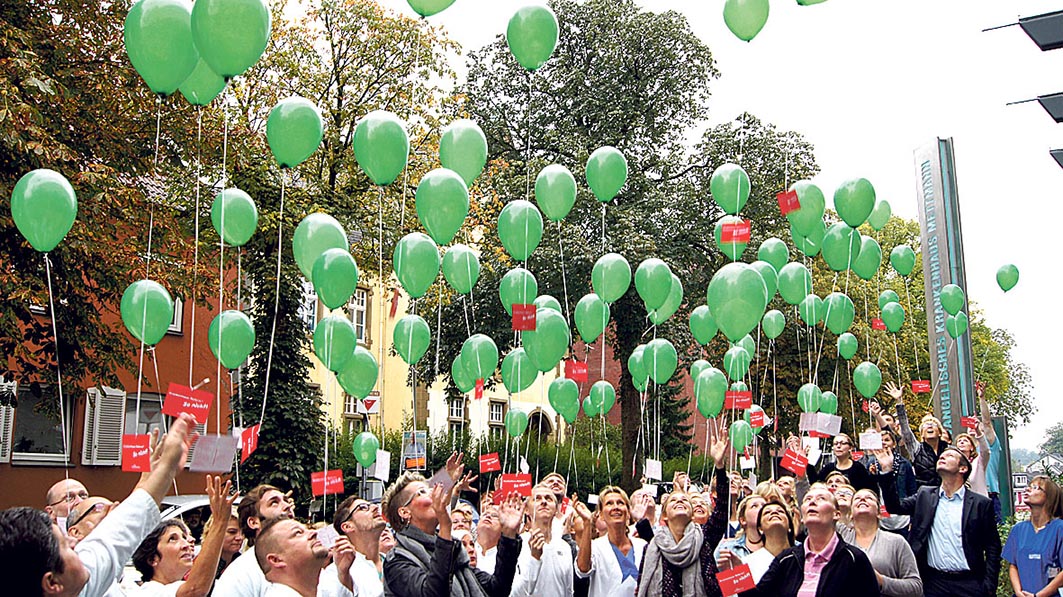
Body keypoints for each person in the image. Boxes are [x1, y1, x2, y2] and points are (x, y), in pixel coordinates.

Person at [0, 412, 197, 597]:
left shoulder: (75, 581)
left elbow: (118, 533)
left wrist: (159, 474)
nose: (74, 543)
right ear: (52, 583)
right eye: (65, 546)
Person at [382, 457, 524, 597]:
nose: (433, 493)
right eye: (422, 492)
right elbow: (432, 593)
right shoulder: (397, 561)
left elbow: (497, 590)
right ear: (404, 512)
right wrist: (445, 526)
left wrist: (508, 534)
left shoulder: (455, 553)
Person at [875, 445, 1001, 597]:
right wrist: (887, 471)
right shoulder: (925, 495)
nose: (942, 457)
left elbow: (993, 546)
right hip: (933, 583)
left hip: (970, 583)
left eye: (949, 456)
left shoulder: (980, 504)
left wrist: (988, 586)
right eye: (942, 455)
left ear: (962, 468)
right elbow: (895, 507)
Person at [635, 436, 731, 597]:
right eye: (673, 500)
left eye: (684, 500)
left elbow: (722, 508)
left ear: (692, 514)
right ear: (664, 515)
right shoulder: (653, 546)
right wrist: (640, 520)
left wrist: (720, 467)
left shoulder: (704, 539)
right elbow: (641, 585)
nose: (679, 501)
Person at [741, 484, 880, 596]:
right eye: (808, 499)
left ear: (836, 514)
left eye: (821, 499)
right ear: (802, 517)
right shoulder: (787, 559)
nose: (813, 502)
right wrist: (733, 573)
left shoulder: (854, 559)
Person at [130, 475, 237, 597]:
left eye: (184, 538)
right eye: (173, 539)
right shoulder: (150, 592)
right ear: (152, 559)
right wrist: (220, 522)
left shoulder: (179, 586)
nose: (186, 545)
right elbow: (195, 590)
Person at [213, 483, 297, 597]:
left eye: (285, 500)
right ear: (253, 522)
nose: (287, 506)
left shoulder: (307, 558)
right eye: (274, 503)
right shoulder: (241, 574)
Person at [840, 489, 922, 597]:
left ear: (879, 513)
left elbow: (916, 587)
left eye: (869, 498)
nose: (863, 499)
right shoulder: (841, 537)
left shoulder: (896, 542)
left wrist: (882, 581)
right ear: (851, 514)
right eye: (857, 498)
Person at [256, 516, 356, 597]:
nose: (314, 533)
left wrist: (344, 572)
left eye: (307, 529)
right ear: (276, 560)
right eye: (298, 533)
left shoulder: (323, 590)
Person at [573, 486, 647, 596]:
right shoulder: (594, 547)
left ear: (628, 512)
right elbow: (582, 570)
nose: (615, 507)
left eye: (620, 503)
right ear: (601, 514)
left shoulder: (642, 546)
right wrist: (587, 523)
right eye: (609, 503)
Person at [1002, 475, 1063, 597]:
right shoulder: (1018, 529)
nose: (1028, 490)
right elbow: (1013, 565)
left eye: (1036, 487)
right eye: (1029, 486)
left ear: (1049, 497)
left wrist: (1039, 595)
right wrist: (1019, 592)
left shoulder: (1059, 528)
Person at [510, 483, 574, 596]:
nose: (543, 501)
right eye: (537, 498)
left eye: (548, 498)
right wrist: (534, 558)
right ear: (526, 510)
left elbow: (569, 592)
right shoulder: (517, 544)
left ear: (556, 510)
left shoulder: (565, 547)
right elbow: (516, 593)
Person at [882, 381, 947, 489]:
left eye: (933, 424)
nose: (929, 426)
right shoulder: (916, 449)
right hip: (926, 496)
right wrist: (899, 402)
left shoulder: (949, 451)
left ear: (940, 432)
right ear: (921, 434)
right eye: (925, 426)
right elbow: (906, 430)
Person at [320, 496, 386, 597]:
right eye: (363, 507)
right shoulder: (334, 573)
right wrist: (344, 577)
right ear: (347, 526)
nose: (375, 507)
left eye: (372, 505)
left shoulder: (397, 561)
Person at [742, 498, 796, 583]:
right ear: (760, 529)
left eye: (780, 511)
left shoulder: (803, 557)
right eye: (767, 512)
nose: (774, 513)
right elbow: (729, 594)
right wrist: (731, 573)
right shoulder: (744, 562)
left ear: (789, 526)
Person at [810, 433, 876, 493]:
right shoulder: (828, 468)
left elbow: (868, 489)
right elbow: (815, 484)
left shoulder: (858, 468)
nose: (838, 446)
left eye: (842, 443)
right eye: (836, 444)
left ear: (850, 448)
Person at [714, 494, 766, 563]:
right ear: (743, 520)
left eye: (764, 506)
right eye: (754, 506)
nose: (761, 508)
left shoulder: (777, 548)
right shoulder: (727, 548)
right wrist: (739, 570)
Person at [202, 506, 244, 580]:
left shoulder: (244, 562)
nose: (240, 537)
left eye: (243, 532)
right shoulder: (200, 564)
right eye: (232, 532)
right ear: (213, 532)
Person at [474, 504, 503, 574]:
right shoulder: (464, 549)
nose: (488, 516)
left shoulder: (504, 558)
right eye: (484, 514)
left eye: (495, 516)